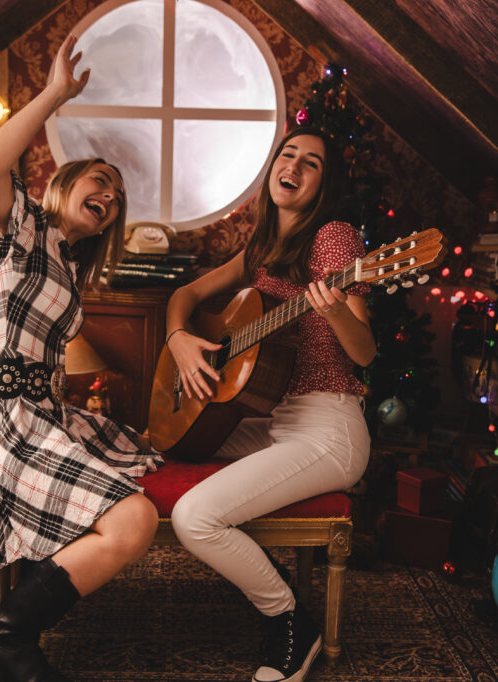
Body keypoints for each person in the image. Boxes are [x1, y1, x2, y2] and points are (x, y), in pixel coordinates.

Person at [0, 35, 161, 682]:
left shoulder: (64, 262)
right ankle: (5, 640)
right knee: (135, 517)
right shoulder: (21, 230)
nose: (111, 197)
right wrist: (56, 95)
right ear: (63, 185)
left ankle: (21, 616)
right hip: (3, 423)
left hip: (39, 414)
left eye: (117, 195)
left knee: (133, 494)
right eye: (101, 181)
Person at [165, 126, 375, 682]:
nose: (296, 167)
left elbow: (366, 352)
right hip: (279, 419)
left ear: (323, 187)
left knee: (195, 516)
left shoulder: (333, 237)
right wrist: (178, 339)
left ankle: (288, 621)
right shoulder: (263, 245)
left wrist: (333, 312)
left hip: (330, 427)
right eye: (289, 155)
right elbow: (183, 297)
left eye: (313, 164)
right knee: (171, 446)